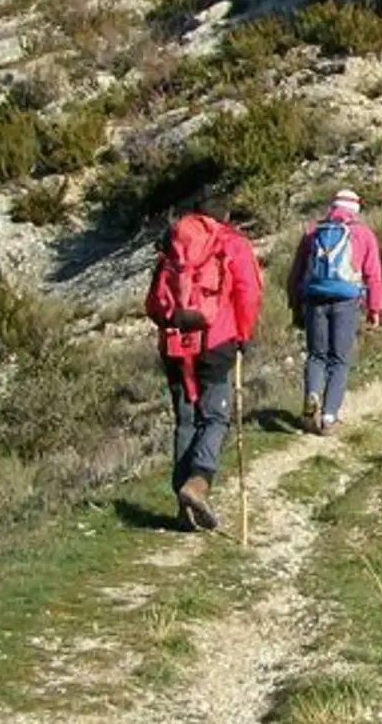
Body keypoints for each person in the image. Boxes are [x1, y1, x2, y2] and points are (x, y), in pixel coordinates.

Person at [143, 189, 262, 532]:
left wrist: (175, 325)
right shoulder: (232, 243)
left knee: (185, 419)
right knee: (215, 416)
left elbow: (153, 304)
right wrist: (242, 334)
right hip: (217, 339)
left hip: (175, 344)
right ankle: (197, 484)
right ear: (224, 216)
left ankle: (184, 510)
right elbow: (248, 293)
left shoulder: (173, 244)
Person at [287, 189, 382, 436]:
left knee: (316, 355)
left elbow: (295, 274)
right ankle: (329, 416)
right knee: (339, 359)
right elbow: (373, 275)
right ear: (355, 210)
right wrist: (375, 308)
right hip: (346, 301)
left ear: (332, 208)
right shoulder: (363, 234)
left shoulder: (312, 233)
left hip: (314, 299)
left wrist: (295, 303)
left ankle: (311, 395)